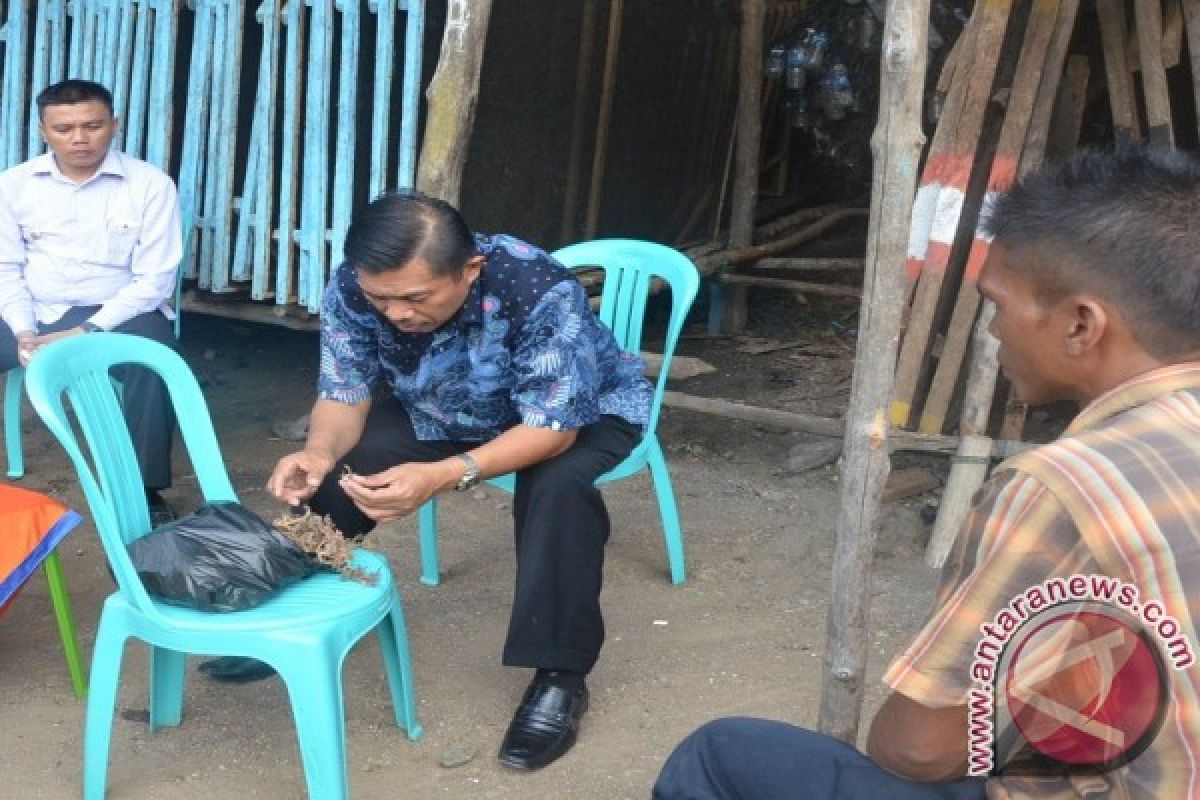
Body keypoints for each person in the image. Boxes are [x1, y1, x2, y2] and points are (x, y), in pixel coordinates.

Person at [654, 144, 1200, 799]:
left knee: (719, 755)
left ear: (1081, 324)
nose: (993, 328)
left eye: (997, 303)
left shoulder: (1064, 487)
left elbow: (917, 748)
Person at [219, 190, 651, 770]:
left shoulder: (540, 289)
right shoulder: (353, 285)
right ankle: (290, 620)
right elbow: (343, 392)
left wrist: (444, 475)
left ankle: (561, 676)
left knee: (558, 488)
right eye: (383, 300)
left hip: (579, 412)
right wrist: (318, 451)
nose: (396, 314)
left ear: (470, 269)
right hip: (443, 405)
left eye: (415, 298)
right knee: (334, 475)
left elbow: (551, 429)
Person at [0, 79, 182, 523]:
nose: (79, 138)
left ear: (114, 126)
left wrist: (86, 330)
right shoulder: (14, 185)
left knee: (152, 361)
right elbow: (6, 268)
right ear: (44, 132)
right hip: (33, 309)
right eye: (64, 129)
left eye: (92, 125)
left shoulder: (150, 185)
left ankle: (145, 491)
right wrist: (24, 331)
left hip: (118, 311)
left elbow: (154, 280)